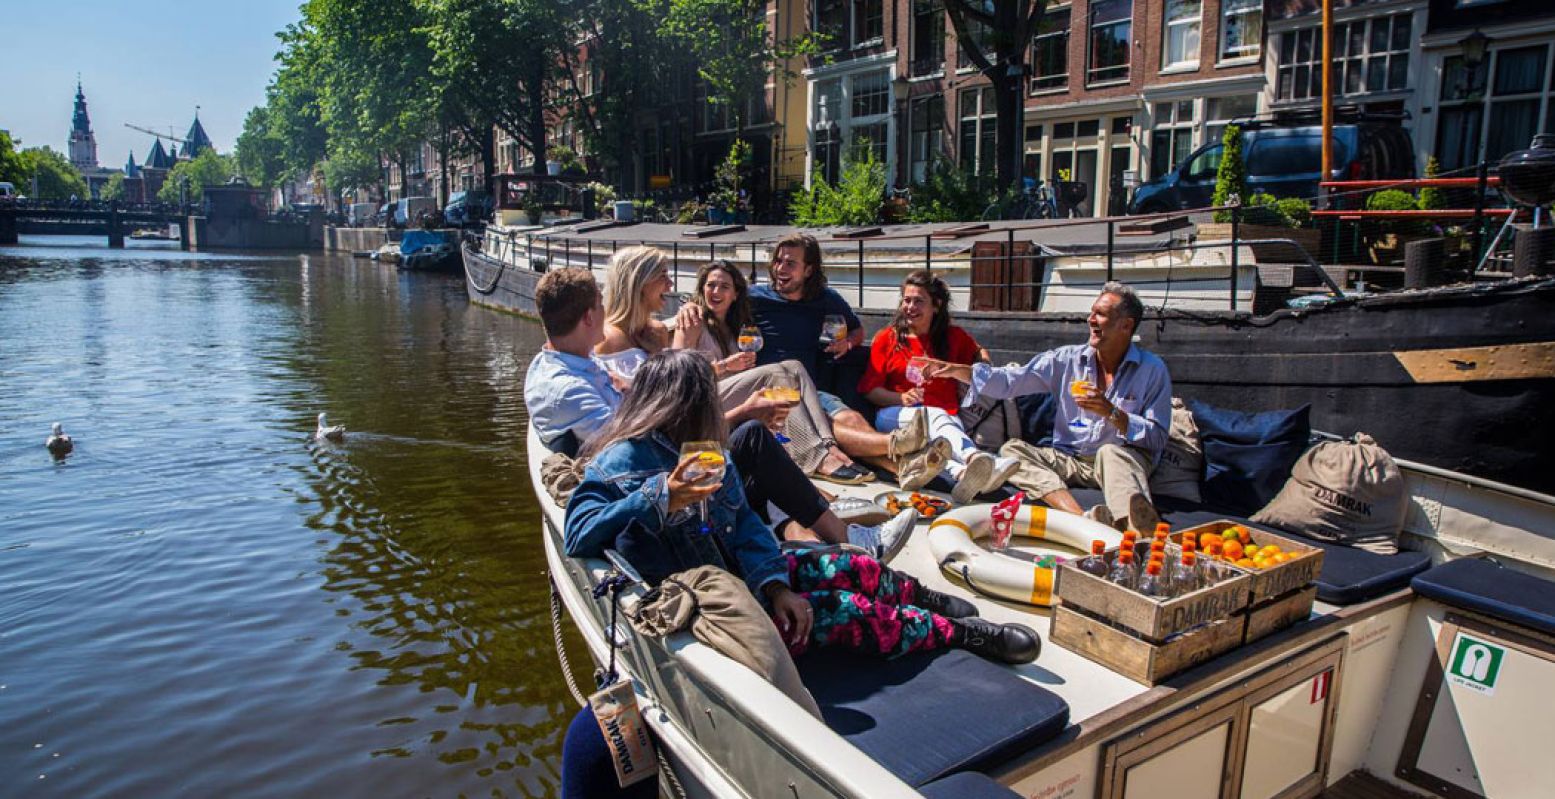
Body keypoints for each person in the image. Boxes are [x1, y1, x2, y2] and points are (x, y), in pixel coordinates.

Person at [563, 349, 1041, 665]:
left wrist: (773, 585)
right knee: (847, 608)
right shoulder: (619, 463)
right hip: (715, 603)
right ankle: (957, 634)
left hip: (745, 577)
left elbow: (746, 526)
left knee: (849, 563)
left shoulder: (707, 450)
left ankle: (921, 595)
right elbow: (578, 534)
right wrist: (661, 496)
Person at [523, 267, 916, 558]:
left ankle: (821, 520)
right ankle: (838, 530)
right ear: (589, 317)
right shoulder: (568, 390)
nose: (606, 314)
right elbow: (629, 449)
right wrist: (742, 410)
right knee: (754, 435)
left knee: (756, 434)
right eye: (599, 306)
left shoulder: (576, 361)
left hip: (655, 459)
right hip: (655, 477)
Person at [925, 282, 1171, 531]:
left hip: (1118, 460)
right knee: (1011, 450)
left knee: (1110, 452)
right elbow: (1013, 380)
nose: (1091, 320)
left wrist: (1112, 413)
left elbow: (1158, 437)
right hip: (1070, 459)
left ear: (1126, 325)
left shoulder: (1152, 370)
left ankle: (1136, 533)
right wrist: (960, 372)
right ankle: (1081, 519)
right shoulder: (1067, 360)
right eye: (1092, 312)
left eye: (1101, 314)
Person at [671, 260, 939, 484]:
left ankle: (833, 448)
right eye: (710, 285)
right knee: (778, 372)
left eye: (724, 286)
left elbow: (856, 330)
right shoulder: (692, 319)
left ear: (736, 294)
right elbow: (677, 376)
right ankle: (822, 457)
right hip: (704, 399)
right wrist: (725, 365)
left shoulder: (737, 323)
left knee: (795, 367)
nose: (715, 291)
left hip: (740, 394)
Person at [749, 233, 946, 483]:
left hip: (810, 388)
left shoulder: (825, 298)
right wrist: (690, 310)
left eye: (790, 263)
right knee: (829, 426)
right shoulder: (754, 297)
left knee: (851, 418)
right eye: (778, 261)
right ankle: (898, 446)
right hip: (770, 391)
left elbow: (857, 330)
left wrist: (847, 342)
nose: (780, 269)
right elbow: (711, 304)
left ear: (808, 270)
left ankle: (904, 469)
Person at [861, 271, 1021, 504]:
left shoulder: (953, 337)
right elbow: (869, 390)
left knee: (938, 434)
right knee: (932, 415)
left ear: (936, 306)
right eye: (907, 300)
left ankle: (963, 474)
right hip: (895, 417)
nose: (910, 307)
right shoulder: (887, 338)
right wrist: (901, 398)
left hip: (947, 420)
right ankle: (977, 458)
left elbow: (979, 352)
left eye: (918, 301)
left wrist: (983, 369)